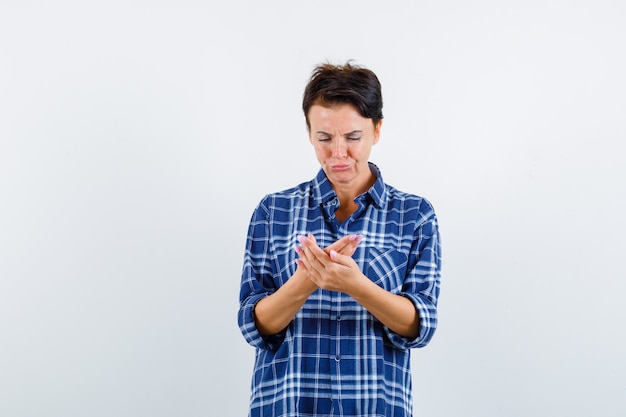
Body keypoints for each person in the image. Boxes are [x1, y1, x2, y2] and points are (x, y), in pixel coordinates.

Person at [237, 61, 442, 417]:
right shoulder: (274, 211)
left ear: (376, 130)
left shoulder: (415, 215)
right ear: (309, 133)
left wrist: (356, 285)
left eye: (352, 137)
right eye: (324, 138)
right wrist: (305, 281)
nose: (338, 153)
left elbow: (420, 326)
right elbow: (254, 326)